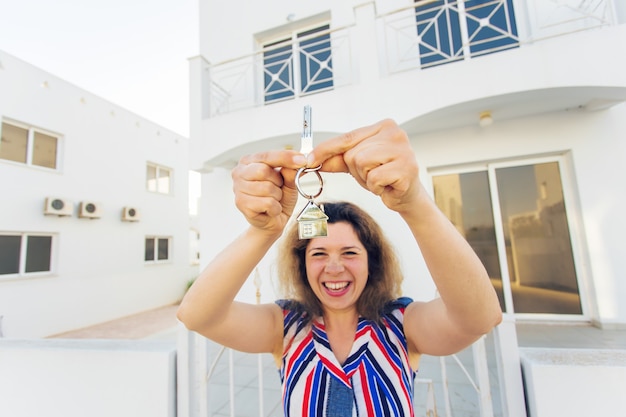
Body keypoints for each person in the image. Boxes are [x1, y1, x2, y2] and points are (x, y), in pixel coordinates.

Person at [177, 119, 503, 416]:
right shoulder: (286, 327)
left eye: (349, 252)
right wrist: (263, 231)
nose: (334, 267)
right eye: (318, 254)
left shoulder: (401, 325)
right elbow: (197, 316)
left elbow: (479, 318)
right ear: (301, 264)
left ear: (371, 261)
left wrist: (414, 202)